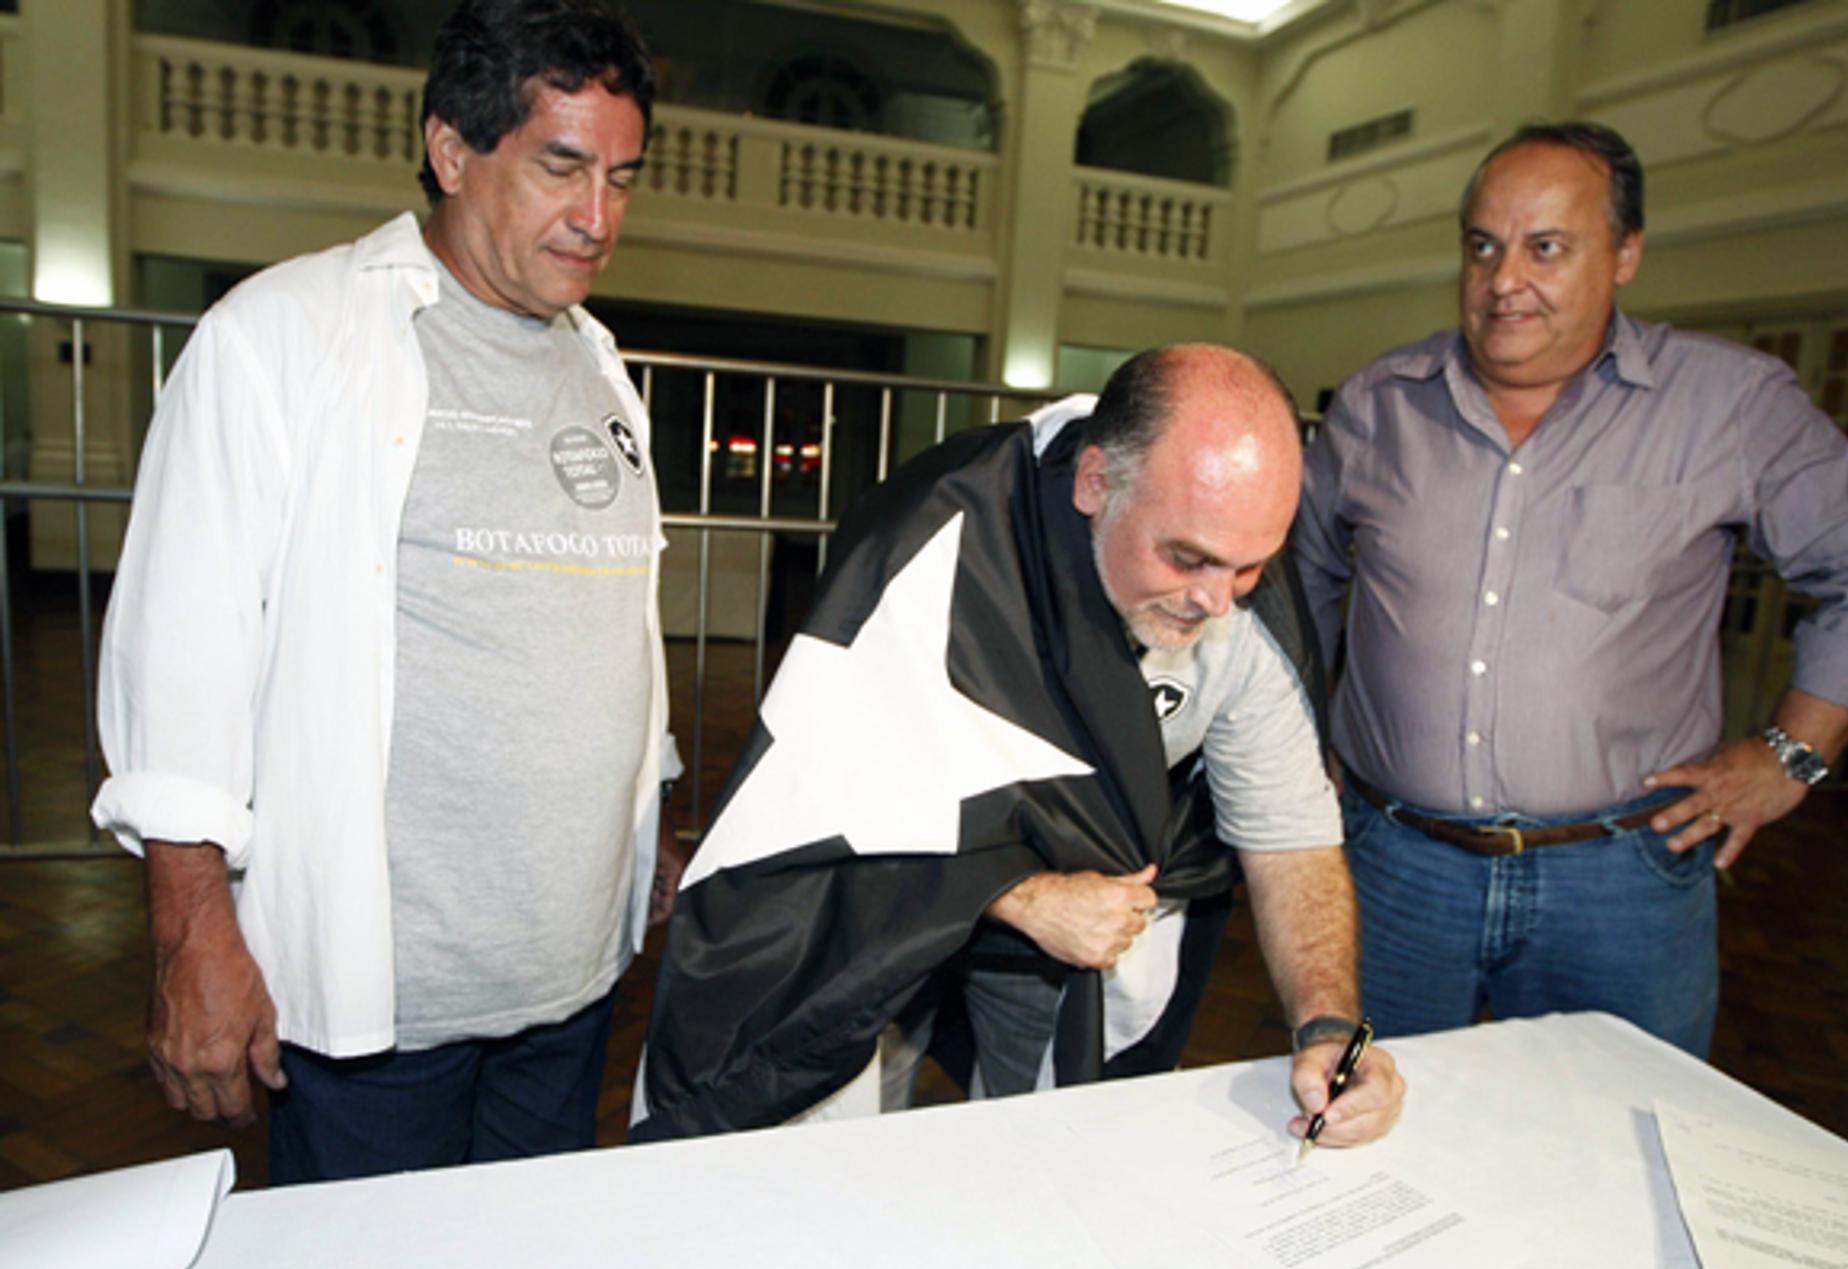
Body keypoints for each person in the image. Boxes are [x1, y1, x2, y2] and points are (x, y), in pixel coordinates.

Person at [91, 0, 683, 1183]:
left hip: (567, 985)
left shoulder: (601, 364)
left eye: (622, 176)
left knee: (528, 1257)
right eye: (561, 166)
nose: (597, 216)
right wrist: (191, 931)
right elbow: (182, 652)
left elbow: (613, 617)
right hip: (382, 1006)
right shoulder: (285, 336)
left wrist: (647, 816)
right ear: (452, 148)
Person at [635, 344, 1404, 1150]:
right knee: (848, 1125)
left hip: (1087, 921)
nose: (1215, 601)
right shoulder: (935, 546)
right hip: (891, 906)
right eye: (1187, 558)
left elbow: (1289, 836)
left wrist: (1326, 1023)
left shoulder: (1243, 609)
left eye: (1250, 568)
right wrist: (1018, 892)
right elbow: (822, 813)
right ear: (1094, 483)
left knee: (1052, 1138)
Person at [1293, 121, 1848, 1057]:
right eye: (1483, 247)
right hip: (1394, 866)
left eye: (1546, 247)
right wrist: (1299, 752)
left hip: (1622, 877)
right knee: (1363, 1129)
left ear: (1626, 253)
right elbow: (1296, 585)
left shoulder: (1729, 405)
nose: (1505, 280)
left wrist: (1793, 754)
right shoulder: (1380, 405)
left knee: (1627, 1142)